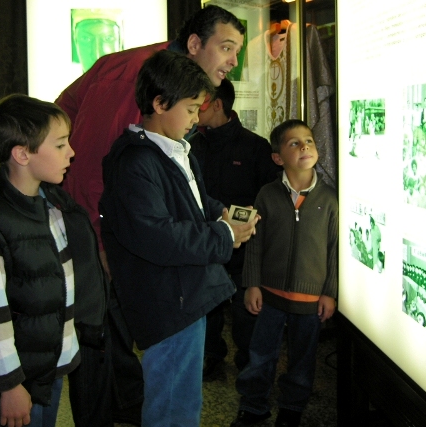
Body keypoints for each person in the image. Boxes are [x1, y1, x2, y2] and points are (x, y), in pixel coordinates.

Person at [56, 5, 246, 424]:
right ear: (195, 44)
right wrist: (101, 242)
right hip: (91, 226)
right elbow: (89, 165)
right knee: (104, 345)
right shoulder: (135, 76)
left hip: (126, 237)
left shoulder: (174, 88)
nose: (234, 61)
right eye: (227, 48)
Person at [99, 49, 258, 426]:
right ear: (158, 102)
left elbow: (194, 200)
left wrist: (221, 212)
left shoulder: (174, 150)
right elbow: (157, 236)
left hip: (185, 293)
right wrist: (224, 235)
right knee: (173, 407)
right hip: (168, 301)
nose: (195, 118)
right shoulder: (136, 162)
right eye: (190, 108)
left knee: (183, 401)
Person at [0, 94, 108, 427]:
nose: (72, 153)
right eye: (61, 145)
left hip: (49, 363)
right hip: (17, 377)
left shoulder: (52, 206)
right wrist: (9, 385)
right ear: (22, 154)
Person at [231, 119, 338, 427]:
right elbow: (254, 244)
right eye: (294, 143)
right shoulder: (266, 194)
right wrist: (251, 284)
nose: (305, 146)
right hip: (270, 296)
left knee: (303, 360)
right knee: (260, 355)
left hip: (310, 299)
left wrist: (329, 292)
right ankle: (253, 406)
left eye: (309, 141)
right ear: (277, 157)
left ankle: (292, 407)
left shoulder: (330, 200)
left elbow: (334, 250)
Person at [189, 78, 280, 377]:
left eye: (200, 102)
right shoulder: (192, 147)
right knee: (208, 306)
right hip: (207, 242)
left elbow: (272, 195)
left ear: (217, 104)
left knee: (246, 311)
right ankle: (211, 357)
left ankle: (250, 366)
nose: (195, 109)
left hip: (245, 246)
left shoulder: (255, 146)